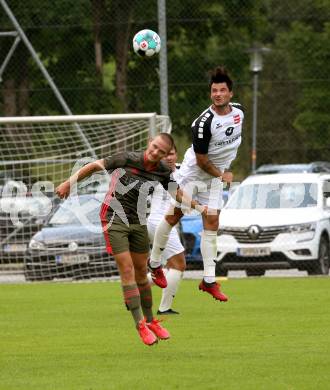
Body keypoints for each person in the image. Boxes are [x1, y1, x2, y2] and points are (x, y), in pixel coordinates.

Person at [56, 133, 206, 346]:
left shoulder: (162, 171)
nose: (155, 152)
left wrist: (200, 207)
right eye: (154, 147)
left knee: (141, 276)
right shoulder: (126, 158)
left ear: (165, 155)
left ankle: (152, 321)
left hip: (138, 221)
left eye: (161, 152)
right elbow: (92, 166)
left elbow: (177, 193)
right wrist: (68, 183)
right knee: (126, 270)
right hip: (113, 218)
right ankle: (140, 325)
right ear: (149, 143)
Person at [149, 66, 244, 301]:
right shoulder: (203, 123)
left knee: (212, 222)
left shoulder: (239, 113)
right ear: (210, 93)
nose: (218, 94)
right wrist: (222, 175)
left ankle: (209, 280)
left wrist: (226, 170)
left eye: (222, 90)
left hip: (214, 176)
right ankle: (154, 264)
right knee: (173, 218)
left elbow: (232, 146)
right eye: (214, 90)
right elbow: (202, 161)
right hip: (194, 174)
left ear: (231, 93)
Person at [147, 145, 185, 315]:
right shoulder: (154, 174)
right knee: (179, 264)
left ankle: (136, 286)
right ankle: (164, 308)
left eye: (172, 154)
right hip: (158, 223)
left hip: (167, 223)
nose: (169, 158)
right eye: (165, 155)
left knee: (169, 268)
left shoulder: (183, 170)